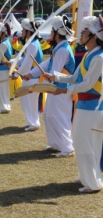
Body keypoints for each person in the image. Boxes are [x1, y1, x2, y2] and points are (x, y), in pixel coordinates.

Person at [43, 15, 103, 192]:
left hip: (93, 107)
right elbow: (75, 77)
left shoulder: (99, 58)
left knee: (86, 143)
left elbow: (87, 84)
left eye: (85, 31)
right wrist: (55, 77)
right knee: (84, 143)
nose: (82, 33)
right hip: (86, 107)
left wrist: (65, 90)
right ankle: (87, 177)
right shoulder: (88, 54)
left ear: (94, 36)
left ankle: (92, 183)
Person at [22, 15, 75, 157]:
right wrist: (31, 74)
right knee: (49, 116)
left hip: (61, 91)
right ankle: (56, 144)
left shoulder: (63, 50)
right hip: (54, 90)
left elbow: (54, 72)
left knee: (59, 117)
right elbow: (46, 65)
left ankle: (67, 147)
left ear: (58, 33)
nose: (50, 33)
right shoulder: (59, 48)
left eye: (52, 30)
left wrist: (42, 81)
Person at [9, 19, 44, 131]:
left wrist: (17, 74)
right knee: (29, 101)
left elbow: (27, 63)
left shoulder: (33, 45)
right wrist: (12, 62)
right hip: (31, 77)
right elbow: (25, 59)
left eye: (24, 29)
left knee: (29, 102)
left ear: (29, 31)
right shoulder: (33, 43)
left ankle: (33, 123)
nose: (22, 31)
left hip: (31, 78)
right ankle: (32, 122)